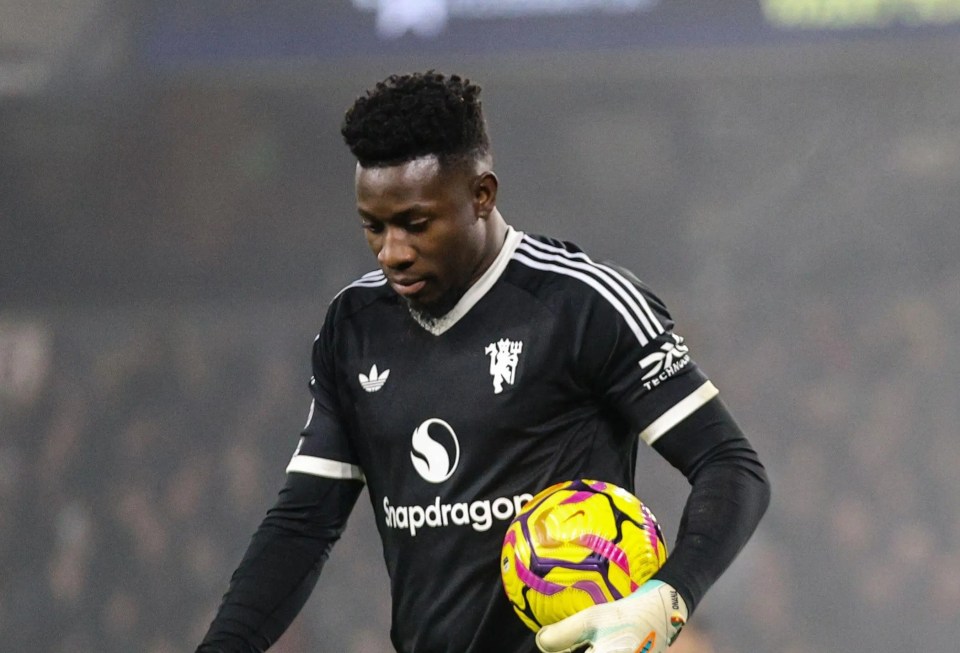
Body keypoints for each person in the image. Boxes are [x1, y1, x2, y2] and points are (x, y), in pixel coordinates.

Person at [196, 71, 770, 653]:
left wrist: (668, 597)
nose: (393, 251)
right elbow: (303, 522)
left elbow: (730, 464)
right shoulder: (355, 326)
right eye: (374, 226)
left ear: (481, 195)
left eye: (416, 224)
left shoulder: (583, 305)